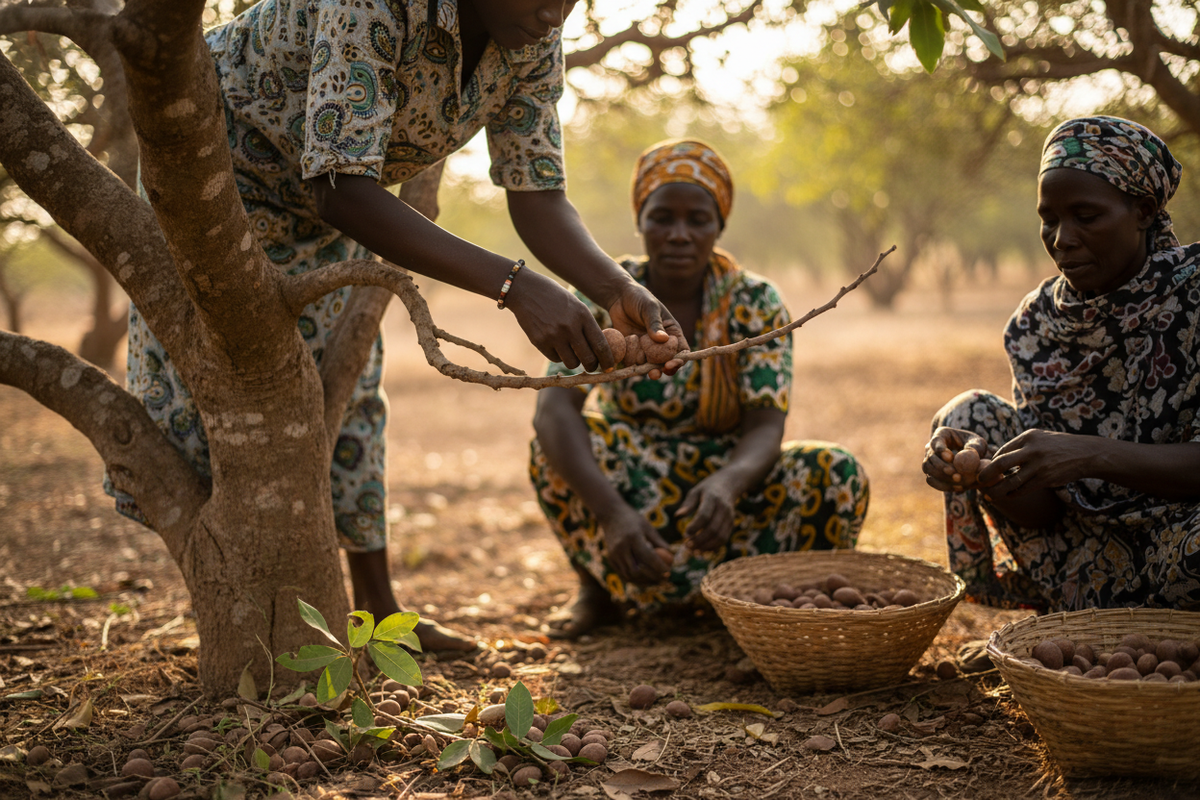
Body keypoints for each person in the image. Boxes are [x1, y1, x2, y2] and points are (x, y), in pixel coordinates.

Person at [109, 0, 684, 652]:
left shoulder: (530, 36)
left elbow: (537, 193)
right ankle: (246, 621)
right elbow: (340, 185)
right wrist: (514, 286)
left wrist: (617, 289)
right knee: (227, 391)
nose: (556, 13)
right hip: (222, 172)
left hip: (333, 202)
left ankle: (379, 618)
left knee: (344, 382)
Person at [529, 139, 871, 638]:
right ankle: (599, 590)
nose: (679, 235)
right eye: (662, 217)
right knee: (554, 447)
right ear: (640, 221)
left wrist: (728, 484)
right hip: (632, 481)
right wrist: (613, 513)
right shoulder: (604, 292)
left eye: (698, 219)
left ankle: (770, 598)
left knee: (833, 471)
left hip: (725, 492)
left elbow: (765, 426)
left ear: (720, 225)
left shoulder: (752, 302)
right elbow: (553, 409)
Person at [922, 116, 1200, 620]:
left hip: (1183, 552)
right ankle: (1092, 621)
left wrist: (1091, 455)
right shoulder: (1036, 325)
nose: (1062, 238)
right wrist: (982, 474)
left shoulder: (1195, 298)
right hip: (1086, 566)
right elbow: (1045, 513)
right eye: (1049, 219)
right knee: (968, 416)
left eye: (1086, 216)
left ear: (1142, 210)